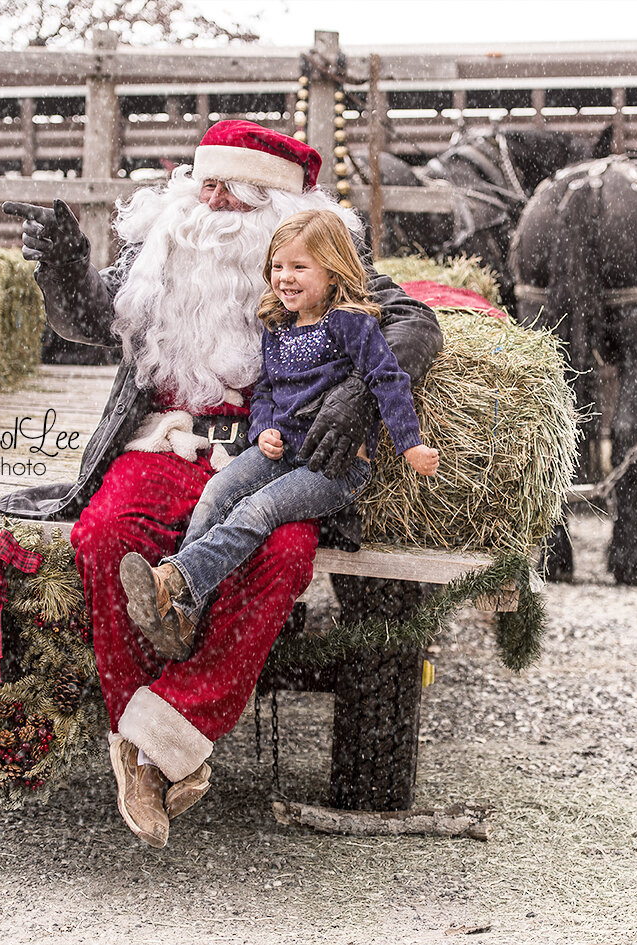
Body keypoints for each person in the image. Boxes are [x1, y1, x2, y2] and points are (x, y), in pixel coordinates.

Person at [0, 120, 442, 849]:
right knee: (105, 536)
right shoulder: (163, 245)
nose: (207, 201)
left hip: (272, 450)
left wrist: (358, 392)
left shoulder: (314, 256)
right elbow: (87, 317)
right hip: (164, 438)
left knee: (280, 556)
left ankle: (165, 737)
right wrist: (62, 267)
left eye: (229, 191)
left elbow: (413, 322)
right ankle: (146, 743)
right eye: (201, 184)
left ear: (273, 207)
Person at [118, 208, 439, 662]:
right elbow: (267, 389)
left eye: (299, 267)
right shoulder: (278, 328)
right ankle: (183, 614)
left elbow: (388, 380)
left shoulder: (350, 324)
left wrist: (410, 444)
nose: (284, 278)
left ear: (333, 271)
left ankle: (173, 582)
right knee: (217, 492)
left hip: (333, 465)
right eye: (277, 267)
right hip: (282, 448)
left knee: (257, 510)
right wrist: (265, 426)